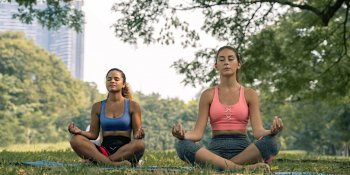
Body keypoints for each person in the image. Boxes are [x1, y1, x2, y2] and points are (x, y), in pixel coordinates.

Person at [172, 46, 283, 171]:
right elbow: (197, 134)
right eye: (222, 59)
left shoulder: (249, 94)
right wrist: (182, 135)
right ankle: (240, 169)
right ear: (216, 66)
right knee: (182, 145)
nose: (226, 62)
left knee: (273, 142)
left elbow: (258, 132)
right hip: (215, 152)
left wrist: (272, 131)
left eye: (231, 59)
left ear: (238, 64)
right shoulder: (207, 94)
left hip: (244, 152)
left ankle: (219, 168)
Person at [68, 68, 145, 166]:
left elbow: (136, 135)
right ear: (106, 83)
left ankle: (99, 161)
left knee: (140, 144)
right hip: (104, 150)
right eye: (109, 79)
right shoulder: (97, 106)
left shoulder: (133, 105)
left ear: (123, 84)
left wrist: (139, 135)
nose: (112, 81)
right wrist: (80, 132)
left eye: (116, 79)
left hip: (125, 150)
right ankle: (111, 163)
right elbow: (93, 134)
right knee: (76, 139)